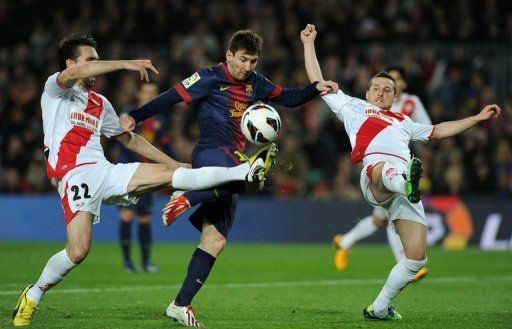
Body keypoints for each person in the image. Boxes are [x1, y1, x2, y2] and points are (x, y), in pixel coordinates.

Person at [12, 33, 273, 327]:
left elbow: (131, 141)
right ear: (71, 62)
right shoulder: (54, 90)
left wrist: (174, 163)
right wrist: (126, 63)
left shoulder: (100, 103)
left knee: (173, 175)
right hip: (74, 174)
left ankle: (242, 172)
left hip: (106, 170)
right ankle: (33, 293)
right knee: (78, 251)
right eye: (92, 60)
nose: (96, 66)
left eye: (99, 60)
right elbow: (75, 74)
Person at [120, 30, 338, 327]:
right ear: (229, 56)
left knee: (215, 239)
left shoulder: (256, 83)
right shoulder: (209, 78)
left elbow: (287, 97)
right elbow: (171, 97)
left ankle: (179, 304)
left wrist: (316, 88)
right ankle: (186, 196)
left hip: (232, 159)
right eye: (243, 60)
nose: (247, 67)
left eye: (253, 61)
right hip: (210, 152)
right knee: (253, 177)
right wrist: (136, 115)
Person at [300, 24, 500, 320]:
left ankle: (378, 308)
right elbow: (317, 80)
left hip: (403, 192)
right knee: (387, 169)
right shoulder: (352, 107)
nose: (382, 93)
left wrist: (478, 117)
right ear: (367, 92)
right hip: (375, 177)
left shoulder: (405, 121)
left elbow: (440, 130)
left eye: (388, 90)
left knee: (416, 259)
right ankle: (405, 179)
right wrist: (308, 43)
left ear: (395, 97)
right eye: (377, 88)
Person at [332, 66, 431, 282]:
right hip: (380, 165)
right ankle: (402, 259)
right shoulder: (371, 105)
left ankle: (345, 241)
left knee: (380, 219)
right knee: (387, 216)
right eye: (380, 86)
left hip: (402, 162)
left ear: (402, 85)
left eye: (395, 81)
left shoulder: (411, 103)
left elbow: (427, 128)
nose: (383, 91)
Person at [117, 83, 166, 274]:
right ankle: (128, 262)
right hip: (128, 172)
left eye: (154, 93)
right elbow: (124, 140)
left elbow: (164, 145)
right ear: (139, 94)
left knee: (145, 218)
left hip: (148, 172)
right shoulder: (129, 114)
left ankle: (146, 262)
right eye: (147, 92)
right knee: (127, 215)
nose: (150, 96)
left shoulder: (159, 118)